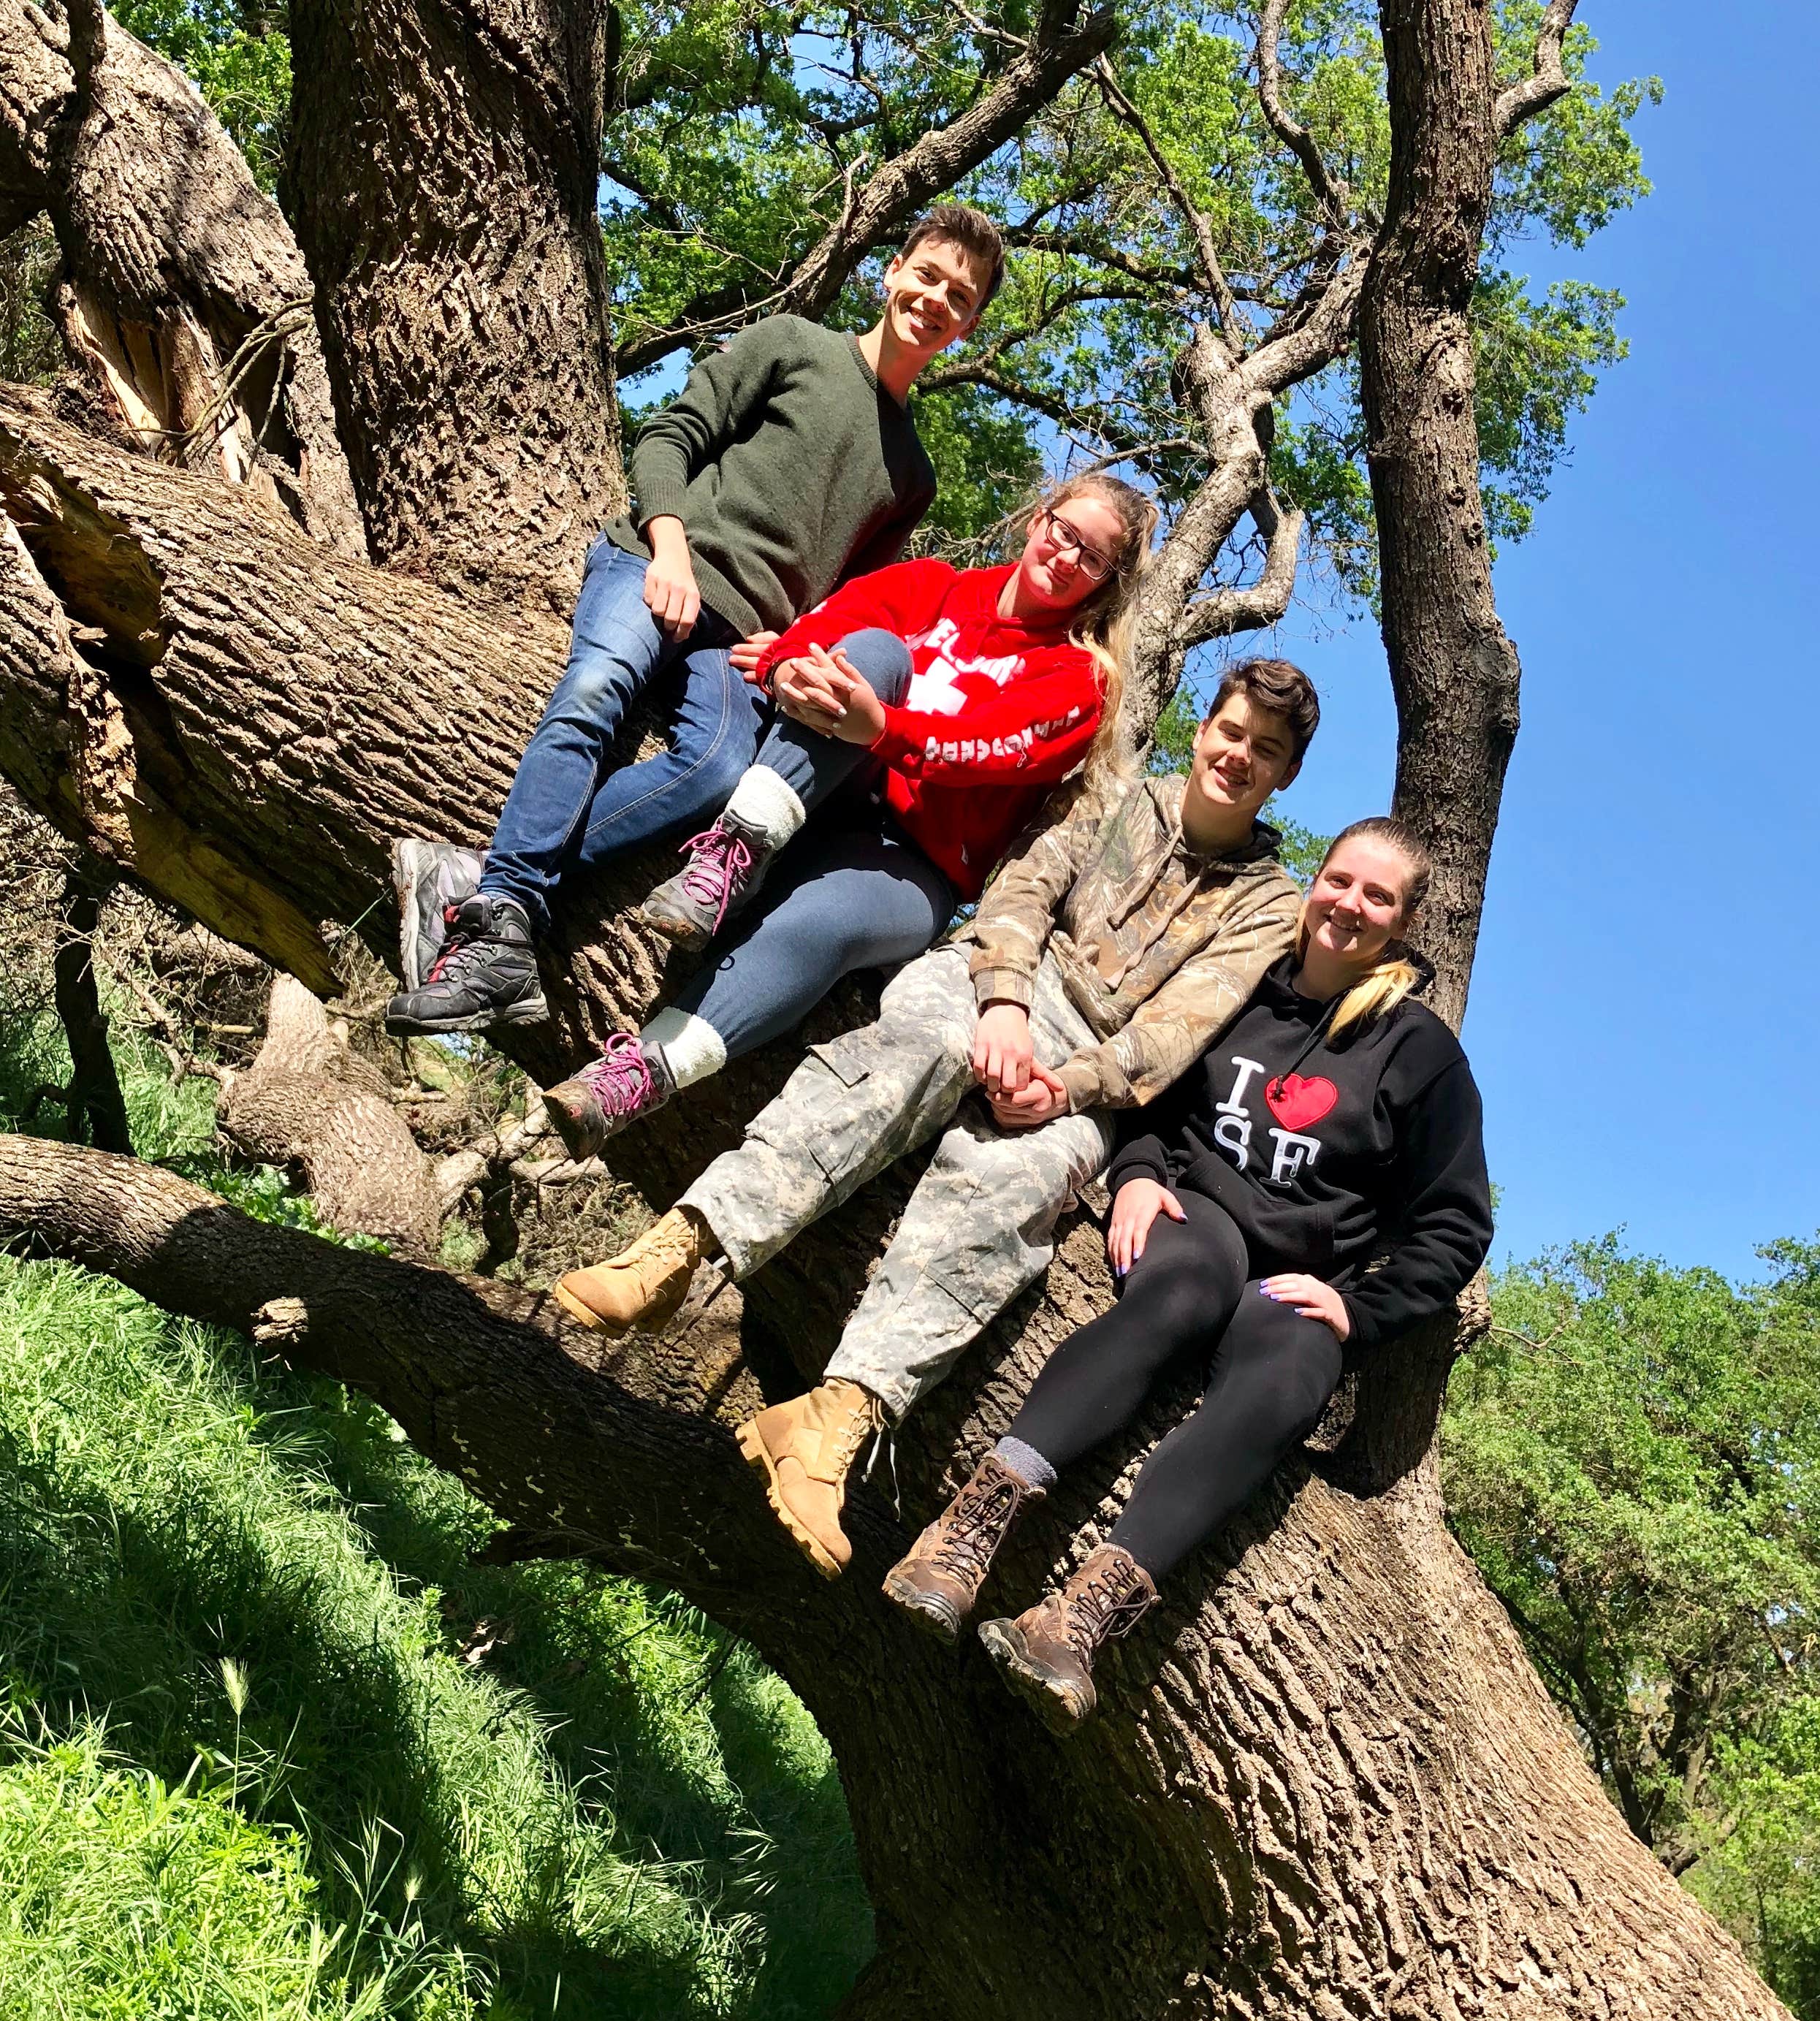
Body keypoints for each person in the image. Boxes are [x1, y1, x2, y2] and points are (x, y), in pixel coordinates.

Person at [550, 658, 1322, 1580]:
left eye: (1265, 750)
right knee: (901, 1055)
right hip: (998, 979)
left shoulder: (1274, 905)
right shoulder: (1115, 795)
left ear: (1285, 775)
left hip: (1092, 1075)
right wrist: (1000, 1002)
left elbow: (1180, 1028)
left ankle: (831, 1420)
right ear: (1205, 730)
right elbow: (1021, 894)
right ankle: (684, 1245)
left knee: (1017, 1186)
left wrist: (1063, 1087)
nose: (1239, 755)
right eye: (1232, 732)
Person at [880, 818, 1493, 1732]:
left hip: (1300, 1274)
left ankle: (1079, 1619)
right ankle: (968, 1529)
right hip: (1198, 1214)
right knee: (1182, 1289)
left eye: (1378, 896)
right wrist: (1132, 1177)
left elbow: (1455, 1219)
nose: (1349, 906)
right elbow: (1155, 1089)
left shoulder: (1421, 1055)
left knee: (1292, 1374)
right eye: (1341, 881)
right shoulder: (1241, 984)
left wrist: (1359, 1307)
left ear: (1400, 924)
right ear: (1316, 881)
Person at [383, 202, 1004, 1036]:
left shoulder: (912, 476)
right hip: (656, 567)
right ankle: (502, 919)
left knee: (716, 774)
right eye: (927, 274)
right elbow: (670, 437)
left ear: (965, 326)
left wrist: (792, 647)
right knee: (597, 688)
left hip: (746, 644)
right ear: (892, 273)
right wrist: (668, 548)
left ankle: (473, 875)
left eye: (958, 297)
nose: (935, 297)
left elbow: (851, 596)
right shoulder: (795, 344)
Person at [536, 472, 1159, 1161]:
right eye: (1064, 532)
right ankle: (729, 857)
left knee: (821, 925)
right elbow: (824, 628)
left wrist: (882, 729)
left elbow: (984, 750)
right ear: (1038, 520)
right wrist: (781, 667)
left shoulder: (1078, 680)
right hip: (817, 790)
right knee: (875, 652)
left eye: (1093, 557)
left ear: (1108, 581)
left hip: (912, 864)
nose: (1067, 556)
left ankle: (634, 1079)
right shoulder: (936, 586)